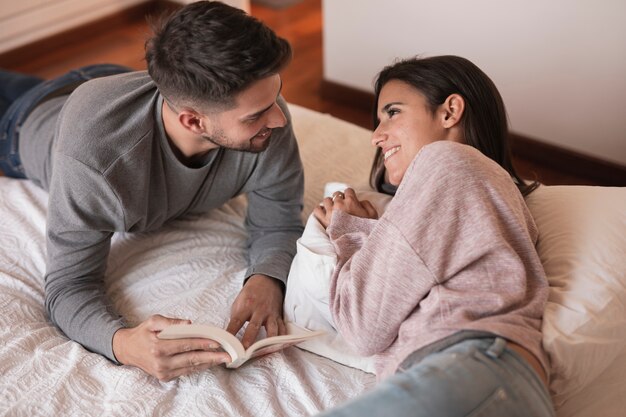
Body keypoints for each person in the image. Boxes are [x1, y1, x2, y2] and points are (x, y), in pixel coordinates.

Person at [0, 1, 304, 381]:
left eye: (275, 98)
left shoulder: (265, 116)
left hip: (112, 81)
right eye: (255, 115)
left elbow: (279, 217)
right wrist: (124, 344)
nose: (277, 119)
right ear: (192, 120)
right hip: (24, 123)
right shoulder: (97, 159)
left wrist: (266, 277)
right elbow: (68, 285)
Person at [312, 55, 555, 416]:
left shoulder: (445, 162)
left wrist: (350, 232)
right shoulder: (482, 188)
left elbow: (363, 325)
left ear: (449, 111)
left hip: (470, 371)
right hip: (488, 380)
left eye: (392, 112)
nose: (377, 136)